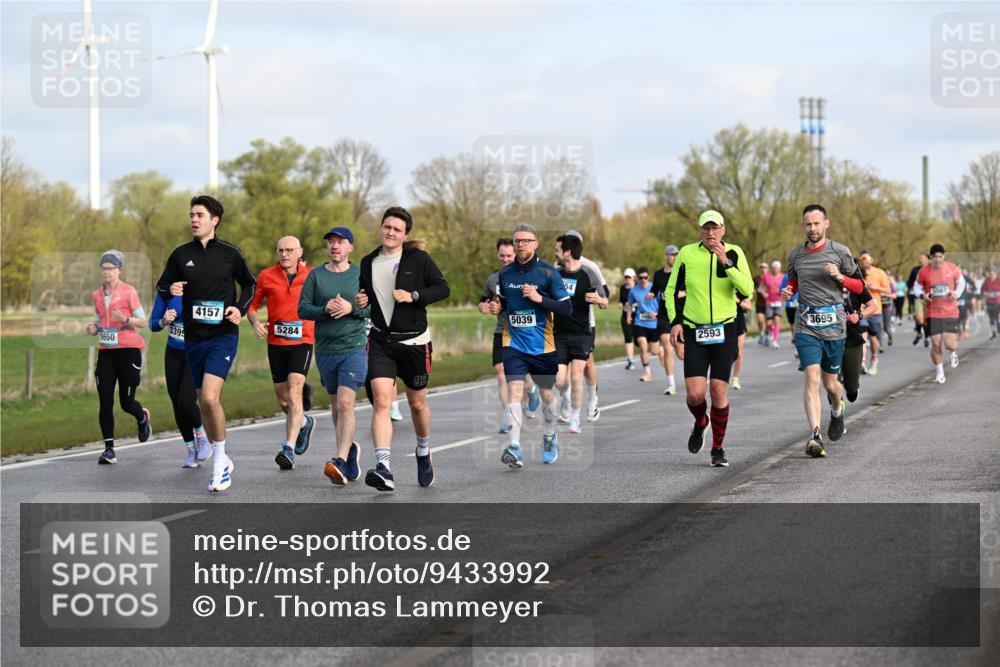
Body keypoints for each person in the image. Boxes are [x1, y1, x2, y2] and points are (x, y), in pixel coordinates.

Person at [156, 195, 256, 492]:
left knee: (210, 399)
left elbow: (250, 283)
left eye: (199, 214)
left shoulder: (230, 253)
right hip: (193, 339)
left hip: (222, 336)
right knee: (203, 402)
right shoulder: (180, 254)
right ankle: (221, 459)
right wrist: (169, 289)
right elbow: (162, 286)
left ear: (215, 220)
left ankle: (220, 463)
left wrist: (240, 307)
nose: (194, 219)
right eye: (191, 215)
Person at [355, 207, 450, 491]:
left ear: (405, 234)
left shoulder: (418, 259)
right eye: (387, 227)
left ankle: (423, 450)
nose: (390, 233)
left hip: (414, 343)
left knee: (417, 403)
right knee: (383, 402)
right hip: (382, 341)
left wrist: (414, 296)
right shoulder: (368, 261)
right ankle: (384, 467)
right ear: (381, 228)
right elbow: (367, 294)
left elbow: (442, 288)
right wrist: (362, 300)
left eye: (397, 229)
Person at [666, 210, 753, 468]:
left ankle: (718, 448)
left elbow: (747, 289)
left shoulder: (735, 252)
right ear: (700, 231)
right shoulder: (687, 254)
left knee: (718, 390)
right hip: (695, 329)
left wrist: (726, 261)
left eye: (715, 228)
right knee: (695, 394)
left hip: (725, 329)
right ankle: (701, 421)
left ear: (723, 230)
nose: (711, 233)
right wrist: (675, 322)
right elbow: (671, 291)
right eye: (706, 228)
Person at [781, 204, 865, 458]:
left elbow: (860, 287)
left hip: (834, 326)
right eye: (808, 224)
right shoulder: (795, 255)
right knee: (812, 376)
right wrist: (789, 291)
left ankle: (837, 410)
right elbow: (795, 282)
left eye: (817, 223)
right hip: (806, 324)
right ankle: (815, 435)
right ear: (803, 226)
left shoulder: (840, 252)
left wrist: (840, 277)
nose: (812, 228)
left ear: (826, 223)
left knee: (831, 385)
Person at [487, 224, 571, 467]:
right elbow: (503, 301)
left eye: (525, 241)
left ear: (535, 244)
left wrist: (539, 299)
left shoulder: (548, 274)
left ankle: (549, 435)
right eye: (517, 241)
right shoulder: (505, 273)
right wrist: (497, 307)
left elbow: (566, 308)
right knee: (514, 390)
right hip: (513, 341)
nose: (521, 244)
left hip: (542, 345)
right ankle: (514, 447)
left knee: (546, 395)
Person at [298, 226, 369, 485]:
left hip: (353, 346)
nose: (335, 246)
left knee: (344, 403)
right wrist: (324, 309)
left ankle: (338, 459)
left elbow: (376, 308)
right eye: (331, 242)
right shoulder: (316, 276)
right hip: (326, 349)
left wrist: (353, 308)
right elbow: (303, 309)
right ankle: (349, 450)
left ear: (350, 247)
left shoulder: (362, 274)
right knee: (335, 406)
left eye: (341, 242)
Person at [247, 236, 317, 470]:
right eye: (280, 250)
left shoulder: (312, 277)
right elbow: (252, 305)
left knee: (295, 390)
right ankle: (304, 422)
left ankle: (288, 448)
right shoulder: (266, 276)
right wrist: (255, 322)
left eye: (289, 250)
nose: (284, 254)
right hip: (276, 342)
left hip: (302, 341)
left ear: (299, 252)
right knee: (282, 398)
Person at [87, 250, 152, 464]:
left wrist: (126, 318)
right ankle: (109, 450)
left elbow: (143, 321)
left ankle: (142, 418)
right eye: (104, 268)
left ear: (119, 270)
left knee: (126, 402)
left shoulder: (128, 292)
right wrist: (94, 327)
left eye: (111, 268)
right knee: (105, 401)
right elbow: (99, 319)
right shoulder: (97, 295)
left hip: (128, 351)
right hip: (106, 352)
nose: (107, 272)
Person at [149, 289, 210, 467]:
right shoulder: (166, 292)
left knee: (186, 401)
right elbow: (153, 324)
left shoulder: (200, 284)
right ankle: (191, 450)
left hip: (195, 352)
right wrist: (164, 320)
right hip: (173, 353)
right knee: (176, 403)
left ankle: (202, 437)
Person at [553, 233, 608, 434]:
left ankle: (575, 418)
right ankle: (566, 397)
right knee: (559, 380)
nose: (555, 252)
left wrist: (598, 299)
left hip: (581, 333)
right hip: (558, 333)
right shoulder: (554, 274)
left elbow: (605, 301)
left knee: (577, 375)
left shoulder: (588, 273)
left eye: (557, 249)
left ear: (567, 252)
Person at [478, 239, 517, 433]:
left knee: (523, 376)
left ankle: (532, 390)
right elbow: (483, 300)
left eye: (509, 255)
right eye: (502, 255)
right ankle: (508, 418)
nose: (506, 259)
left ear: (516, 255)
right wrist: (484, 306)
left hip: (524, 332)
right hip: (501, 331)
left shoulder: (526, 276)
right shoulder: (493, 279)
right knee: (501, 373)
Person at [916, 244, 965, 384]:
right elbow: (916, 287)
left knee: (949, 344)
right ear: (931, 257)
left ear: (944, 256)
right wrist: (923, 295)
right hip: (933, 312)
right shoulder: (924, 271)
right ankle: (940, 372)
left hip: (950, 311)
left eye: (940, 256)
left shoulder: (952, 268)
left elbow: (961, 282)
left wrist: (956, 293)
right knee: (935, 343)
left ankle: (953, 352)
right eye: (935, 256)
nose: (937, 259)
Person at [840, 273, 877, 405]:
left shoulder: (855, 283)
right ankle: (837, 414)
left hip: (852, 337)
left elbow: (873, 305)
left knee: (851, 388)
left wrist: (859, 316)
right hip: (829, 337)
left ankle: (852, 388)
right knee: (831, 382)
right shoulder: (824, 283)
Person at [652, 244, 682, 395]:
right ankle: (671, 384)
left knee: (682, 354)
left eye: (676, 254)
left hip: (680, 316)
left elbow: (689, 291)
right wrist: (650, 300)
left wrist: (680, 294)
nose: (674, 257)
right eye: (671, 254)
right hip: (664, 317)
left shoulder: (682, 273)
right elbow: (654, 292)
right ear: (665, 256)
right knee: (667, 347)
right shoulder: (658, 275)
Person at [857, 251, 891, 376]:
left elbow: (888, 289)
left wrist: (876, 288)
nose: (865, 261)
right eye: (862, 259)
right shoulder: (857, 273)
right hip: (862, 310)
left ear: (872, 260)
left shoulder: (879, 273)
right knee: (863, 335)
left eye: (867, 258)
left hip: (875, 310)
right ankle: (862, 362)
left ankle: (874, 358)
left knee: (873, 339)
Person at [627, 268, 661, 382]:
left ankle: (660, 351)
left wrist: (657, 314)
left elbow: (663, 303)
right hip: (640, 322)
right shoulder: (633, 291)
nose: (643, 280)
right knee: (642, 344)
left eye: (645, 277)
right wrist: (628, 316)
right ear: (637, 278)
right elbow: (629, 304)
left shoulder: (654, 288)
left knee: (654, 351)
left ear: (649, 277)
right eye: (641, 278)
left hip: (654, 323)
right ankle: (647, 372)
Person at [730, 292, 753, 390]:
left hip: (739, 323)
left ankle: (735, 378)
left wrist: (737, 300)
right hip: (724, 324)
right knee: (725, 353)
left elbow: (749, 306)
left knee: (739, 353)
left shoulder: (738, 289)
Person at [907, 253, 930, 347]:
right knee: (919, 319)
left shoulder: (931, 269)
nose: (920, 260)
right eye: (919, 258)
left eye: (922, 258)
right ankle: (920, 333)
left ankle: (926, 337)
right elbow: (909, 282)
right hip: (918, 297)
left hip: (929, 297)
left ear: (927, 259)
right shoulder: (915, 270)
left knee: (926, 320)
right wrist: (912, 286)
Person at [763, 260, 785, 349]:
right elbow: (761, 287)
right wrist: (764, 293)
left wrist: (785, 292)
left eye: (777, 268)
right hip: (769, 301)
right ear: (772, 268)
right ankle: (771, 332)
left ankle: (775, 341)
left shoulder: (783, 277)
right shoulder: (766, 276)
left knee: (777, 319)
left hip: (780, 300)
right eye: (774, 268)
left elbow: (788, 287)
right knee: (768, 323)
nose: (776, 269)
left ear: (780, 269)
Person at [619, 268, 637, 369]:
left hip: (637, 314)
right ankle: (630, 360)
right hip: (626, 314)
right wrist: (621, 304)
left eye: (629, 277)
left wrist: (633, 304)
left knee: (639, 339)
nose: (627, 279)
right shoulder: (623, 288)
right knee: (628, 337)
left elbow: (643, 301)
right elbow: (621, 300)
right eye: (625, 277)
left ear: (633, 277)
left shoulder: (638, 288)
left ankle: (657, 350)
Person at [982, 266, 1000, 339]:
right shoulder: (987, 281)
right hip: (989, 301)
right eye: (990, 273)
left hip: (998, 301)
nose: (991, 274)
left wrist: (998, 293)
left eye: (993, 273)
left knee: (996, 316)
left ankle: (998, 324)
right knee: (991, 318)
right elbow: (983, 290)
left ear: (996, 273)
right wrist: (985, 293)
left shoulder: (999, 280)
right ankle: (993, 333)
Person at [754, 262, 769, 344]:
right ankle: (761, 333)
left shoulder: (770, 278)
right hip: (759, 302)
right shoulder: (757, 278)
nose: (763, 269)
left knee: (768, 322)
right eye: (761, 267)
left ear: (768, 269)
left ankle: (767, 335)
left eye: (765, 267)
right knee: (760, 320)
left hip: (769, 303)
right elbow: (752, 289)